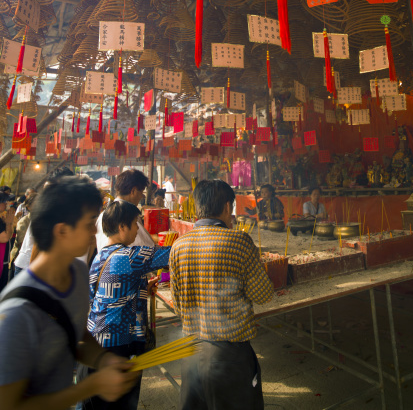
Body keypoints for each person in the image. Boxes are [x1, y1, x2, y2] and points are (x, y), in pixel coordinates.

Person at [0, 176, 138, 409]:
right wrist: (90, 387)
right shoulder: (16, 313)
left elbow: (75, 333)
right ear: (62, 231)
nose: (95, 230)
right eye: (89, 223)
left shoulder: (77, 271)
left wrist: (103, 359)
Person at [170, 179, 273, 410]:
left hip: (191, 354)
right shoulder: (239, 241)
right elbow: (263, 294)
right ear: (228, 207)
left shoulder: (179, 246)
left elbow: (178, 306)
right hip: (229, 357)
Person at [80, 200, 172, 410]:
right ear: (122, 227)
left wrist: (139, 288)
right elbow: (171, 254)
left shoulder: (100, 257)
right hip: (117, 349)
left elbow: (102, 295)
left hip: (94, 343)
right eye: (136, 224)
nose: (137, 230)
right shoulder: (130, 256)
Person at [95, 170, 152, 253]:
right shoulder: (127, 215)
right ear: (134, 191)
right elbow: (147, 248)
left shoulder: (104, 214)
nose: (142, 196)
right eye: (141, 192)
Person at [0, 191, 15, 291]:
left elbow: (9, 235)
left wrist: (8, 223)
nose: (6, 204)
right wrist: (9, 223)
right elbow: (4, 238)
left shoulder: (1, 218)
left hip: (4, 261)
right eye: (4, 201)